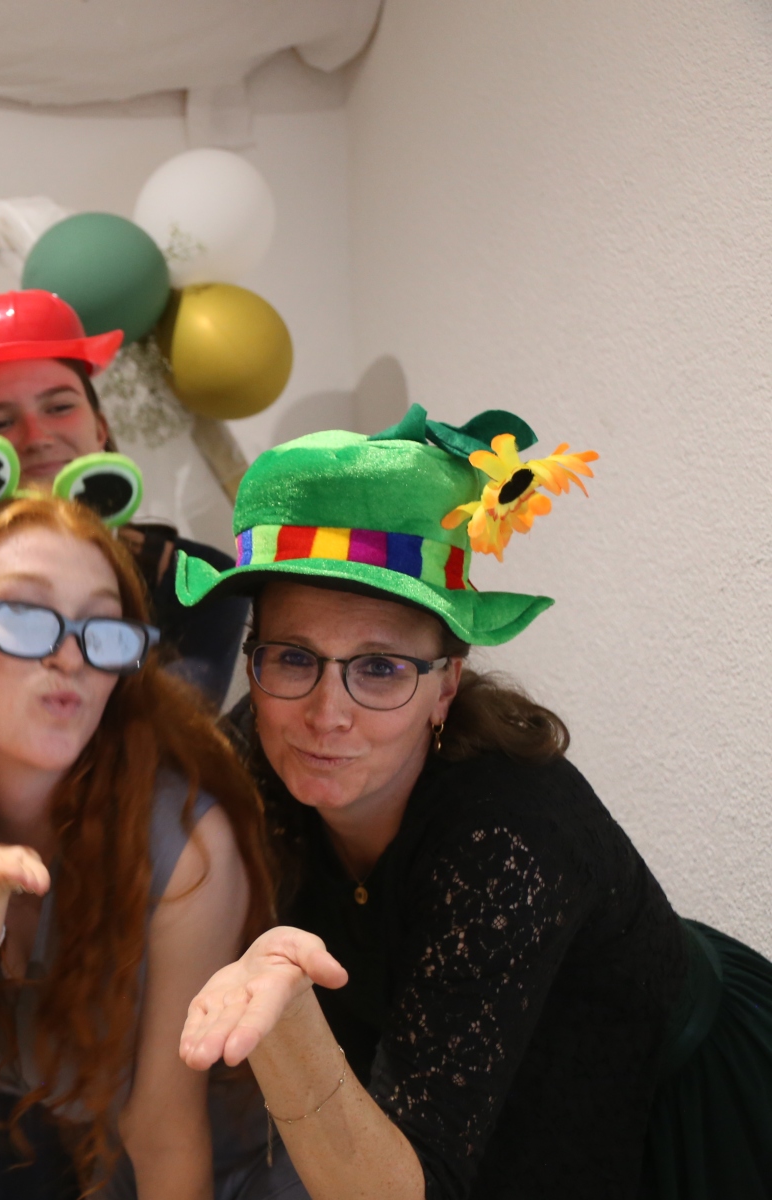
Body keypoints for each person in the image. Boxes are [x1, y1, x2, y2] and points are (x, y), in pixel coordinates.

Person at [175, 406, 772, 1198]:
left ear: (446, 686)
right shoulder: (260, 736)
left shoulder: (512, 836)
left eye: (380, 668)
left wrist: (291, 1038)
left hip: (679, 1109)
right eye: (293, 657)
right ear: (256, 662)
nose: (326, 713)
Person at [0, 473, 304, 1198]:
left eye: (103, 627)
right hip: (50, 1158)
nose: (72, 657)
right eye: (24, 615)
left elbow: (166, 1134)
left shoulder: (184, 843)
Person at [0, 289, 249, 707]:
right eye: (0, 422)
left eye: (59, 407)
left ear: (100, 428)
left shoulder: (200, 582)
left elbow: (176, 728)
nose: (36, 437)